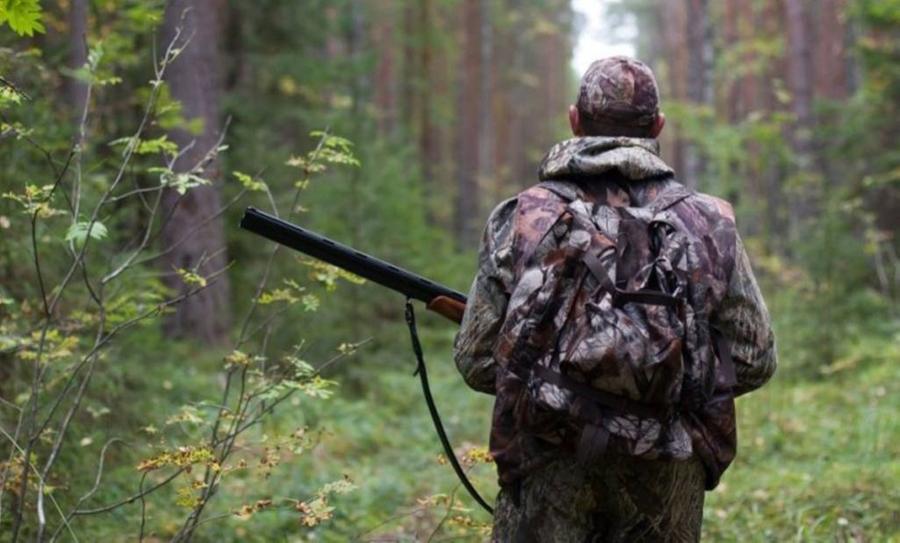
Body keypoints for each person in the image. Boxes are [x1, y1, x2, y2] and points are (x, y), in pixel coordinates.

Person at [453, 56, 777, 542]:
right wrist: (664, 386)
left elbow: (476, 360)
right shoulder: (709, 221)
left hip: (546, 462)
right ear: (658, 126)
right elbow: (755, 358)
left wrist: (560, 388)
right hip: (669, 466)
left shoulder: (522, 217)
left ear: (575, 120)